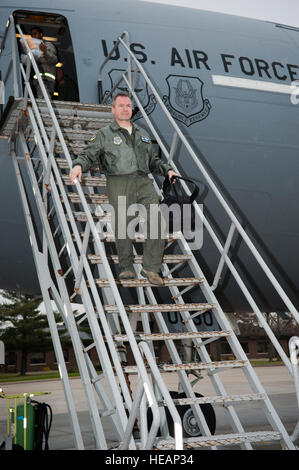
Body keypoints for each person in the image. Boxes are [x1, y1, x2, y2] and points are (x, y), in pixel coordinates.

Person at [70, 92, 178, 285]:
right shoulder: (104, 134)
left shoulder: (143, 134)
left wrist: (167, 170)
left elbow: (153, 161)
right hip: (118, 181)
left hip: (143, 181)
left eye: (128, 106)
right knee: (123, 225)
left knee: (157, 222)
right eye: (121, 106)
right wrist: (78, 165)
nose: (125, 109)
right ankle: (126, 267)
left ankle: (151, 268)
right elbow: (89, 154)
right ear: (113, 110)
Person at [30, 27, 58, 99]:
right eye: (32, 35)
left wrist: (45, 52)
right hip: (36, 82)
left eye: (35, 34)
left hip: (47, 80)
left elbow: (54, 60)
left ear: (41, 34)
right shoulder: (32, 48)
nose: (33, 36)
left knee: (45, 101)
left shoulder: (48, 45)